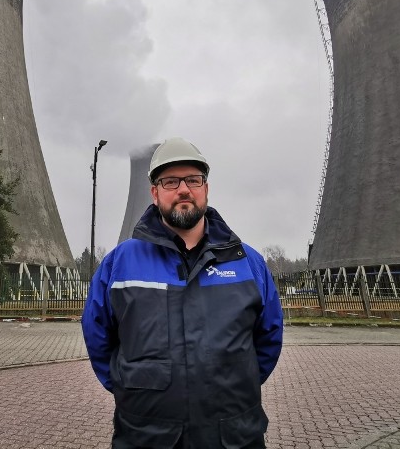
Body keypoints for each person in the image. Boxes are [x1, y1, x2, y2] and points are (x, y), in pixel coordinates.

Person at [82, 137, 284, 448]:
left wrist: (236, 384)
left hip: (232, 435)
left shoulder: (248, 263)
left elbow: (268, 338)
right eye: (171, 181)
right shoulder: (120, 264)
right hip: (146, 435)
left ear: (206, 187)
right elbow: (98, 336)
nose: (183, 189)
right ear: (154, 192)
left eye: (193, 179)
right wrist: (128, 387)